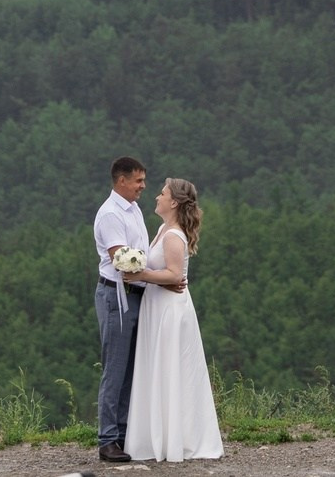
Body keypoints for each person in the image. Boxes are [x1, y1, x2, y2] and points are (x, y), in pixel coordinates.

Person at [125, 177, 222, 461]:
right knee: (161, 368)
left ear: (174, 202)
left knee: (171, 369)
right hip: (157, 306)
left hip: (169, 310)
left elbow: (174, 275)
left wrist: (139, 274)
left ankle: (177, 439)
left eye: (162, 193)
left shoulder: (173, 235)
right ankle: (160, 436)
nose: (157, 196)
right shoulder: (163, 229)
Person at [93, 156, 151, 462]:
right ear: (122, 181)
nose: (143, 186)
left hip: (136, 293)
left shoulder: (134, 208)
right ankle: (108, 439)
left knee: (131, 367)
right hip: (116, 294)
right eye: (139, 180)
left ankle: (126, 433)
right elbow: (123, 258)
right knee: (115, 368)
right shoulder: (111, 214)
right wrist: (158, 273)